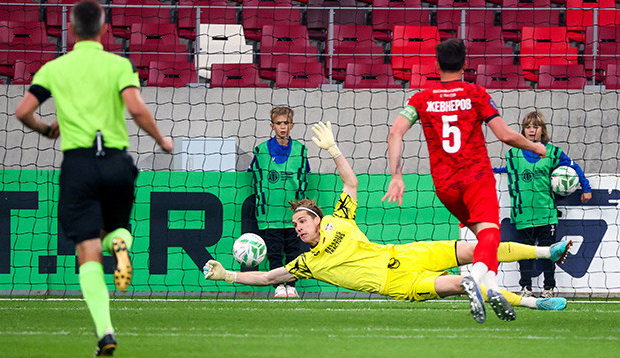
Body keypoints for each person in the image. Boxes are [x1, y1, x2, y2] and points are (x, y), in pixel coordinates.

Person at [205, 122, 572, 322]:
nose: (298, 227)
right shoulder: (308, 263)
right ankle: (534, 304)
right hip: (398, 283)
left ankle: (547, 250)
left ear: (317, 219)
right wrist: (228, 275)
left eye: (302, 221)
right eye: (296, 224)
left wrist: (333, 150)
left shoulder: (338, 219)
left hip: (405, 253)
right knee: (462, 284)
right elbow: (268, 277)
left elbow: (351, 182)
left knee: (479, 248)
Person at [14, 0, 174, 356]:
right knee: (116, 229)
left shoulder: (55, 68)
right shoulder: (118, 65)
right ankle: (121, 246)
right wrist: (161, 139)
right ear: (105, 30)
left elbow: (23, 111)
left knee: (86, 251)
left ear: (70, 31)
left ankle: (105, 331)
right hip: (116, 161)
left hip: (79, 164)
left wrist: (45, 129)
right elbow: (135, 108)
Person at [383, 38, 547, 322]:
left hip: (445, 187)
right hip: (476, 178)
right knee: (490, 234)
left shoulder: (420, 99)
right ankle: (475, 278)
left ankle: (492, 286)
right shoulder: (476, 94)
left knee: (483, 238)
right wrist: (536, 147)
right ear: (465, 64)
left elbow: (395, 132)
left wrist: (396, 176)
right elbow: (505, 135)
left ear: (436, 65)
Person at [495, 111, 591, 298]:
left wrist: (585, 187)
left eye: (535, 127)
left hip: (546, 213)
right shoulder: (513, 154)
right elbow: (506, 171)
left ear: (542, 130)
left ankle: (549, 288)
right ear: (522, 130)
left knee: (549, 253)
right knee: (524, 254)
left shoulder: (553, 152)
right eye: (528, 127)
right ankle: (526, 288)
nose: (532, 131)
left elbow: (574, 167)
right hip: (523, 214)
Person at [249, 106, 311, 299]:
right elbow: (253, 175)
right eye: (278, 123)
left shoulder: (301, 151)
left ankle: (291, 286)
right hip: (270, 214)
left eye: (286, 123)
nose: (282, 127)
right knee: (274, 253)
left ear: (292, 125)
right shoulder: (260, 152)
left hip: (294, 215)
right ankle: (278, 287)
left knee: (294, 252)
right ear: (272, 126)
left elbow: (306, 175)